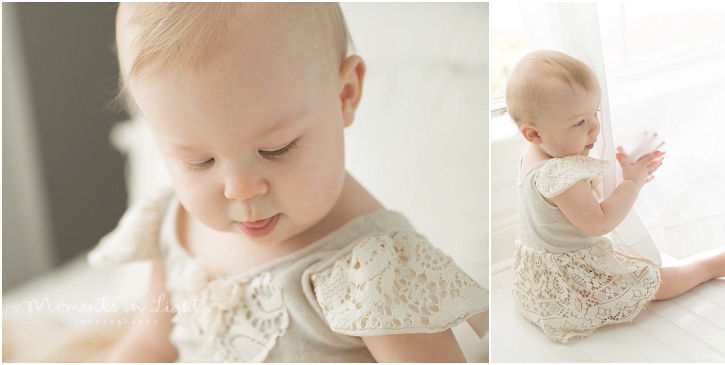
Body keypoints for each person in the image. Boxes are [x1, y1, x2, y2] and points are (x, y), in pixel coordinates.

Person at [88, 3, 487, 362]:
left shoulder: (371, 271)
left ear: (345, 94)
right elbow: (149, 344)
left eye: (276, 148)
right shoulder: (176, 225)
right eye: (200, 161)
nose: (241, 189)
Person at [505, 49, 725, 343]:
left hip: (538, 284)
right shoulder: (560, 175)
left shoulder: (532, 157)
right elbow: (599, 222)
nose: (595, 127)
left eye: (594, 113)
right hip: (570, 281)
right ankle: (707, 268)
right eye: (579, 123)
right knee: (656, 282)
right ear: (533, 133)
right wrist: (632, 183)